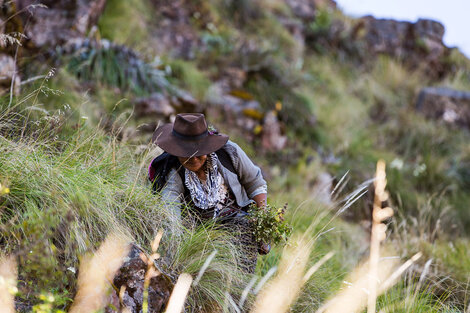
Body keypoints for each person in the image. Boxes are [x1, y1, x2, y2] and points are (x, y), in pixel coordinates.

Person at [151, 113, 269, 273]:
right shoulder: (173, 172)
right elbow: (170, 212)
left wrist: (262, 225)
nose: (192, 158)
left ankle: (242, 289)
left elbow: (255, 182)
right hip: (197, 232)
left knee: (245, 232)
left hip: (237, 223)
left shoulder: (230, 153)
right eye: (186, 153)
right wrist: (175, 251)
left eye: (198, 152)